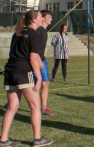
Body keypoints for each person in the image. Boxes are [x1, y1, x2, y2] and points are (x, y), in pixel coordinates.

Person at [1, 10, 53, 146]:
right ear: (34, 20)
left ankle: (3, 139)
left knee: (12, 107)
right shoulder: (34, 34)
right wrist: (39, 78)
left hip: (10, 71)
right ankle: (37, 139)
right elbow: (33, 58)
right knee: (35, 106)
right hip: (23, 72)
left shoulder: (17, 33)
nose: (42, 18)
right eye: (40, 16)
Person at [36, 10, 53, 117]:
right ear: (43, 18)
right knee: (32, 86)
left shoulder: (44, 31)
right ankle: (11, 103)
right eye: (49, 17)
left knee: (45, 83)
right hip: (36, 60)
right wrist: (38, 61)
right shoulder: (38, 31)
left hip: (42, 60)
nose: (51, 19)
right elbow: (34, 49)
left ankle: (43, 108)